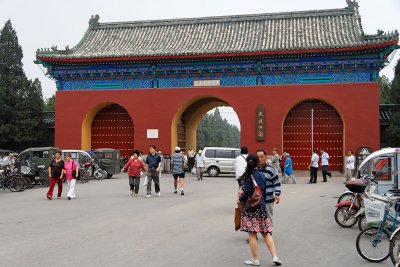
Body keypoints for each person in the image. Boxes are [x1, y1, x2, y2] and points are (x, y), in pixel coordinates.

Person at [238, 154, 282, 266]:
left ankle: (255, 259)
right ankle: (275, 256)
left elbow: (247, 194)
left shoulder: (248, 176)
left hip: (251, 209)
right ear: (257, 163)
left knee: (252, 234)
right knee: (266, 233)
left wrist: (241, 196)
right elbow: (263, 191)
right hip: (262, 208)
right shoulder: (262, 175)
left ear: (247, 163)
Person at [256, 149, 281, 226]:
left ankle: (268, 234)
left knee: (268, 218)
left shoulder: (271, 170)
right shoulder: (253, 170)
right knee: (255, 218)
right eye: (258, 157)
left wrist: (277, 194)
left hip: (268, 199)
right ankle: (253, 236)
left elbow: (276, 183)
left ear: (265, 157)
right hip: (255, 199)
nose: (260, 158)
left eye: (262, 156)